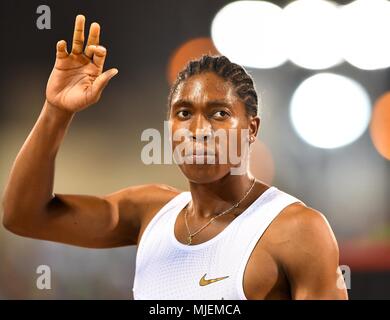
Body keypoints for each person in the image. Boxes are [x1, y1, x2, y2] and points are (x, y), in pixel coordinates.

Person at [2, 15, 348, 300]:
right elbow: (23, 215)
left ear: (251, 128)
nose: (199, 129)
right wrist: (55, 110)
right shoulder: (148, 212)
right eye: (184, 113)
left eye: (219, 113)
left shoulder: (297, 230)